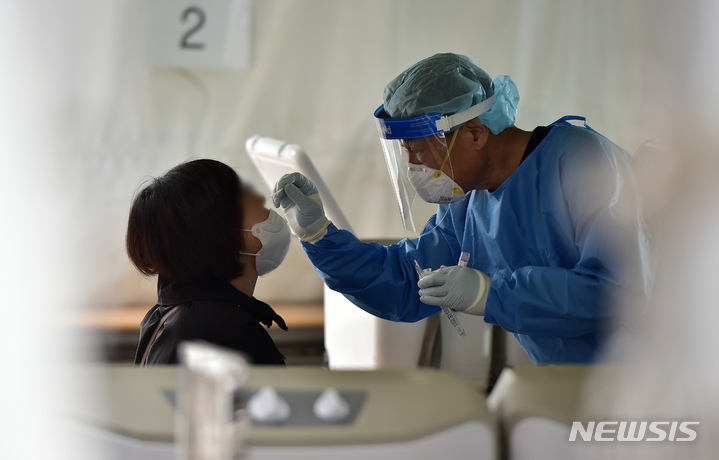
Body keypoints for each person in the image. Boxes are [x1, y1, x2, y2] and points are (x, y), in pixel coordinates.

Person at [272, 53, 654, 364]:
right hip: (566, 388)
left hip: (648, 383)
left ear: (475, 133)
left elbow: (620, 292)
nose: (414, 165)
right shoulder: (469, 199)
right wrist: (320, 236)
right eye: (405, 152)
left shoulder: (582, 162)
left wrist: (491, 293)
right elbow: (408, 281)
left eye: (420, 147)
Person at [126, 159, 289, 365]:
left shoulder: (180, 315)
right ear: (217, 232)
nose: (260, 198)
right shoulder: (216, 330)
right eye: (243, 195)